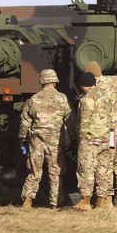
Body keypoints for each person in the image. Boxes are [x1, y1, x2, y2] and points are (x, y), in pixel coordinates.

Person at [19, 69, 74, 209]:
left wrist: (22, 139)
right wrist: (73, 138)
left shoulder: (34, 99)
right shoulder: (63, 99)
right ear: (55, 81)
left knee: (34, 170)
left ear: (41, 81)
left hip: (36, 141)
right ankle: (55, 202)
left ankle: (28, 200)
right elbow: (70, 120)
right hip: (55, 142)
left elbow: (25, 121)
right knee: (55, 172)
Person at [87, 61, 117, 208]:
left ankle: (108, 198)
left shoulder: (95, 90)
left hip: (111, 132)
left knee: (108, 163)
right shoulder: (116, 80)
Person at [73, 72, 112, 210]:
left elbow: (84, 121)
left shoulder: (87, 99)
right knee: (102, 169)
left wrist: (81, 140)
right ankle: (101, 200)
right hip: (105, 139)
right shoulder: (105, 96)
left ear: (82, 85)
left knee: (86, 168)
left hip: (90, 139)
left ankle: (85, 200)